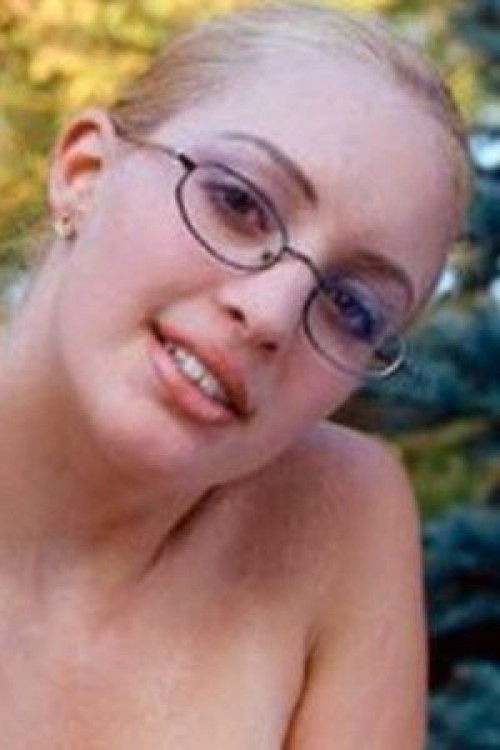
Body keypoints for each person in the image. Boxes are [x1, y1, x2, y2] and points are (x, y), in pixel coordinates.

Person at [0, 2, 471, 748]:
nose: (272, 314)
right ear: (83, 174)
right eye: (238, 203)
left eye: (350, 308)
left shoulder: (341, 517)